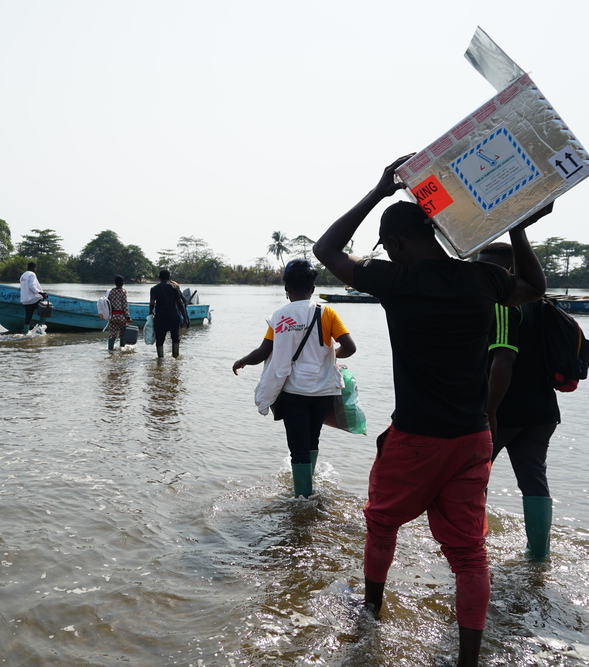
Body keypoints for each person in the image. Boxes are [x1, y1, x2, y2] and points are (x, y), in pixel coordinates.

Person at [312, 155, 550, 667]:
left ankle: (370, 615)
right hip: (472, 439)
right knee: (468, 554)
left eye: (388, 247)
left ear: (395, 245)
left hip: (417, 438)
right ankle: (467, 660)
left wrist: (378, 190)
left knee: (381, 523)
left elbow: (325, 249)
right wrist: (520, 229)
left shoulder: (396, 281)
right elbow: (535, 287)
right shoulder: (483, 279)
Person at [232, 259, 356, 497]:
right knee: (312, 440)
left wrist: (243, 360)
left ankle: (302, 499)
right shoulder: (326, 312)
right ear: (312, 288)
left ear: (286, 289)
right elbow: (349, 347)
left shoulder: (279, 317)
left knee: (297, 446)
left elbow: (262, 353)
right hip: (323, 393)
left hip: (293, 393)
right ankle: (308, 490)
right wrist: (330, 355)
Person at [479, 240, 559, 562]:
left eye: (489, 268)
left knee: (474, 476)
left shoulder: (503, 303)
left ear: (509, 270)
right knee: (534, 479)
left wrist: (490, 411)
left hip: (506, 410)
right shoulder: (543, 303)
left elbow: (503, 360)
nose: (483, 274)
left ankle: (473, 547)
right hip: (543, 411)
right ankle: (539, 554)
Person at [149, 269, 190, 359]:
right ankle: (175, 356)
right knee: (175, 337)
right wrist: (185, 318)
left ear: (159, 278)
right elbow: (180, 303)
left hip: (160, 317)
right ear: (169, 278)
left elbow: (152, 303)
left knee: (160, 338)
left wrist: (150, 311)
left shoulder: (154, 289)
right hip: (173, 316)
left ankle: (160, 359)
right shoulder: (174, 288)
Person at [19, 262, 47, 333]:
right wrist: (41, 293)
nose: (35, 269)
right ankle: (39, 330)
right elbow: (32, 286)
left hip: (26, 300)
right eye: (35, 268)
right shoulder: (32, 274)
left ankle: (26, 333)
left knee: (28, 317)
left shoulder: (23, 275)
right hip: (34, 299)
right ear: (33, 267)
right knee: (46, 310)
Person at [107, 275, 133, 351]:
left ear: (115, 283)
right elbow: (125, 305)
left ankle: (110, 350)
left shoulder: (110, 292)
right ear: (123, 283)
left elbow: (107, 304)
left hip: (112, 316)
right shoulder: (123, 292)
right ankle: (122, 349)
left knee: (112, 333)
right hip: (122, 316)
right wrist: (128, 317)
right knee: (122, 333)